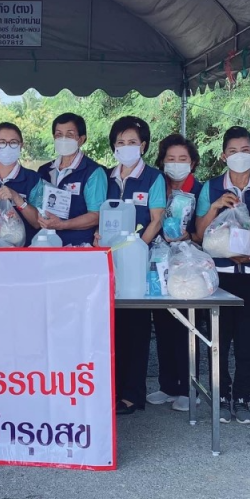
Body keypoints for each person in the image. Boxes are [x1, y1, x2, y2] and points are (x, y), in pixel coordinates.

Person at [189, 127, 250, 424]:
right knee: (218, 339)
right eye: (233, 151)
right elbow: (199, 234)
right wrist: (215, 206)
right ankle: (221, 396)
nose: (239, 156)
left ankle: (243, 399)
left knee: (247, 339)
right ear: (224, 156)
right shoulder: (211, 187)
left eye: (245, 150)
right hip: (220, 274)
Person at [100, 117, 166, 415]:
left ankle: (132, 394)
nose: (126, 147)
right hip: (107, 261)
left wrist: (135, 249)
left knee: (136, 327)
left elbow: (156, 219)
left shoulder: (153, 178)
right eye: (120, 142)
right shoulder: (106, 177)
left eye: (132, 142)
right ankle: (110, 390)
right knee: (110, 328)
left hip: (137, 261)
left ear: (143, 145)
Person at [146, 133, 205, 412]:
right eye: (171, 158)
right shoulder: (157, 187)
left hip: (188, 265)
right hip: (159, 264)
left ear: (192, 163)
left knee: (187, 326)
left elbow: (204, 231)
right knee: (163, 323)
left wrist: (187, 236)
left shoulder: (200, 190)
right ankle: (167, 385)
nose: (177, 164)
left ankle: (188, 388)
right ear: (162, 162)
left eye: (183, 159)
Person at [22, 113, 107, 246]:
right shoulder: (44, 171)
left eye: (69, 135)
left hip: (78, 246)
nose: (63, 139)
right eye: (59, 135)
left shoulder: (93, 172)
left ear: (81, 139)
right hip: (46, 244)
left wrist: (62, 225)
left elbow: (96, 216)